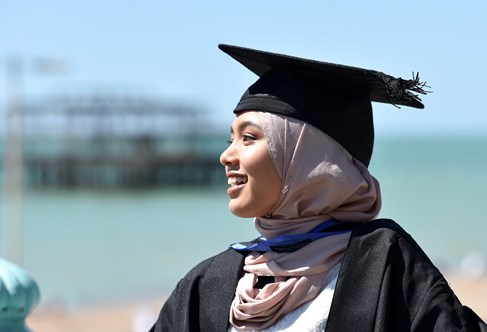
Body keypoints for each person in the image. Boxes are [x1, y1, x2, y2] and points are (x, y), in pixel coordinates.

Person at [150, 44, 487, 331]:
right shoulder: (208, 285)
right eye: (230, 139)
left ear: (309, 158)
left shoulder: (385, 266)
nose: (226, 155)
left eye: (249, 138)